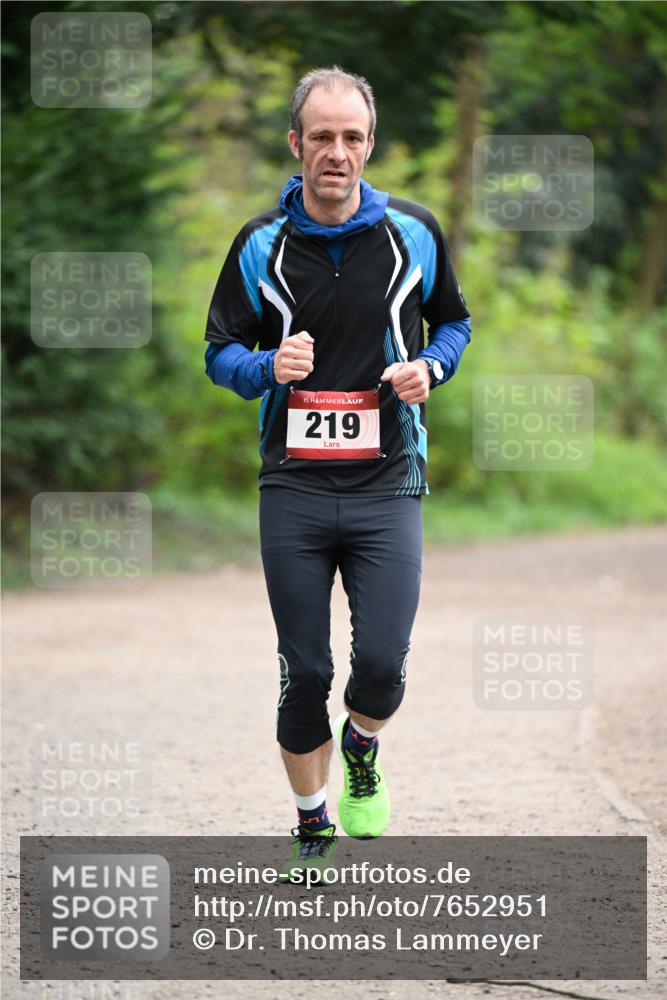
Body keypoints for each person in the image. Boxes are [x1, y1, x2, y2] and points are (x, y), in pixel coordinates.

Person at [204, 66, 471, 882]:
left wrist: (432, 365)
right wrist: (265, 367)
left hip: (388, 480)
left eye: (351, 136)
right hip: (292, 484)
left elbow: (454, 322)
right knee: (305, 670)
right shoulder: (260, 244)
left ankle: (360, 748)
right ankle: (310, 821)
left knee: (382, 665)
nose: (336, 151)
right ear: (296, 145)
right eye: (320, 136)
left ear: (369, 145)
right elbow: (219, 352)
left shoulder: (412, 232)